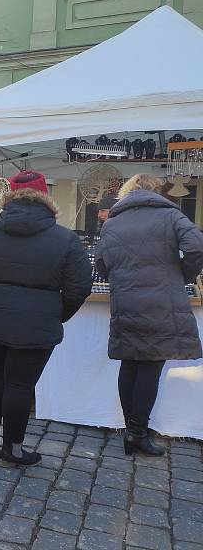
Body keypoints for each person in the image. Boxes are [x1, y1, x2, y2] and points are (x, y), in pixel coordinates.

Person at [0, 171, 92, 467]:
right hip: (36, 323)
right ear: (45, 197)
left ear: (10, 196)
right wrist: (56, 313)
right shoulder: (65, 239)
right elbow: (79, 286)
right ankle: (13, 449)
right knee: (20, 384)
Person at [96, 174, 203, 456]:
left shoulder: (113, 221)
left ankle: (132, 430)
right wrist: (183, 274)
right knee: (150, 365)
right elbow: (197, 246)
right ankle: (137, 433)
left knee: (130, 363)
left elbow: (101, 264)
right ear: (156, 191)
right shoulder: (171, 215)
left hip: (126, 300)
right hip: (161, 301)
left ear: (127, 192)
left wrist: (121, 273)